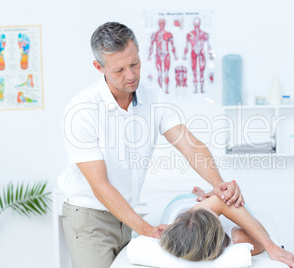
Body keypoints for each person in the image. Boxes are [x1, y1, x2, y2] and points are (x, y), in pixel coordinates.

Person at [59, 21, 244, 268]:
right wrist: (145, 228)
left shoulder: (153, 97)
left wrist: (219, 184)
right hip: (91, 218)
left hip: (126, 214)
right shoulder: (82, 111)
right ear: (98, 67)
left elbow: (189, 145)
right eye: (119, 70)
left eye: (134, 63)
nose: (131, 75)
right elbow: (100, 186)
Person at [160, 187, 294, 268]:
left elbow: (217, 203)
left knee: (220, 200)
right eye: (216, 213)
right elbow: (263, 234)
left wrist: (213, 203)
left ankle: (203, 196)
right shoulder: (238, 239)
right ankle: (206, 196)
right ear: (218, 230)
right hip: (194, 204)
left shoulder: (172, 226)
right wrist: (270, 246)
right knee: (232, 201)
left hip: (182, 201)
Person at [183, 17, 214, 93]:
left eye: (197, 23)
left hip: (201, 54)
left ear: (200, 23)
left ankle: (201, 89)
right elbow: (187, 45)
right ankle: (196, 89)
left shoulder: (204, 34)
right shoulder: (190, 34)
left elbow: (208, 45)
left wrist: (210, 53)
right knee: (194, 72)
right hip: (193, 53)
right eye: (195, 23)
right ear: (193, 23)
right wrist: (184, 54)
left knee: (201, 72)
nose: (196, 25)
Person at [148, 18, 178, 94]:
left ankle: (166, 89)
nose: (161, 25)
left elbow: (172, 46)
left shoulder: (169, 34)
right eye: (160, 23)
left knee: (166, 73)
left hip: (166, 55)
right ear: (158, 24)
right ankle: (160, 89)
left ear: (164, 24)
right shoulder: (154, 34)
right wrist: (149, 55)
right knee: (159, 73)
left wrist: (175, 55)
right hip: (158, 55)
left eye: (162, 23)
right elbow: (151, 46)